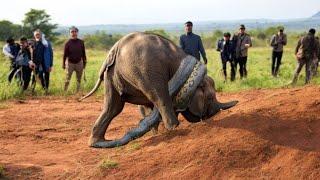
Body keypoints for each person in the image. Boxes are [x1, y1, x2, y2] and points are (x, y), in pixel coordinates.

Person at [63, 26, 87, 92]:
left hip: (79, 63)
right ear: (70, 33)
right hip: (70, 63)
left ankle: (78, 91)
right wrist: (63, 64)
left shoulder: (81, 42)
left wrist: (84, 62)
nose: (73, 33)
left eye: (75, 32)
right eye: (72, 32)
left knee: (79, 79)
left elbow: (83, 53)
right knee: (67, 78)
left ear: (77, 32)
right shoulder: (67, 43)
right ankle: (65, 91)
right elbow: (64, 55)